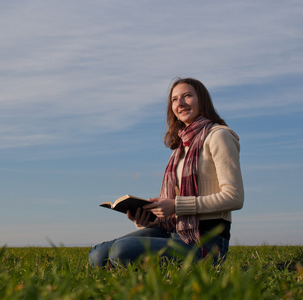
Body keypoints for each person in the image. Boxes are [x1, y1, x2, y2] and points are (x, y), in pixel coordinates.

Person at [89, 77, 244, 267]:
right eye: (175, 99)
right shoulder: (179, 148)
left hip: (206, 240)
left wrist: (177, 205)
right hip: (173, 231)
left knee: (122, 250)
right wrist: (146, 219)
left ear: (202, 99)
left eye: (187, 96)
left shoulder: (219, 135)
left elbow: (234, 197)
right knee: (97, 255)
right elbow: (174, 211)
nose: (180, 103)